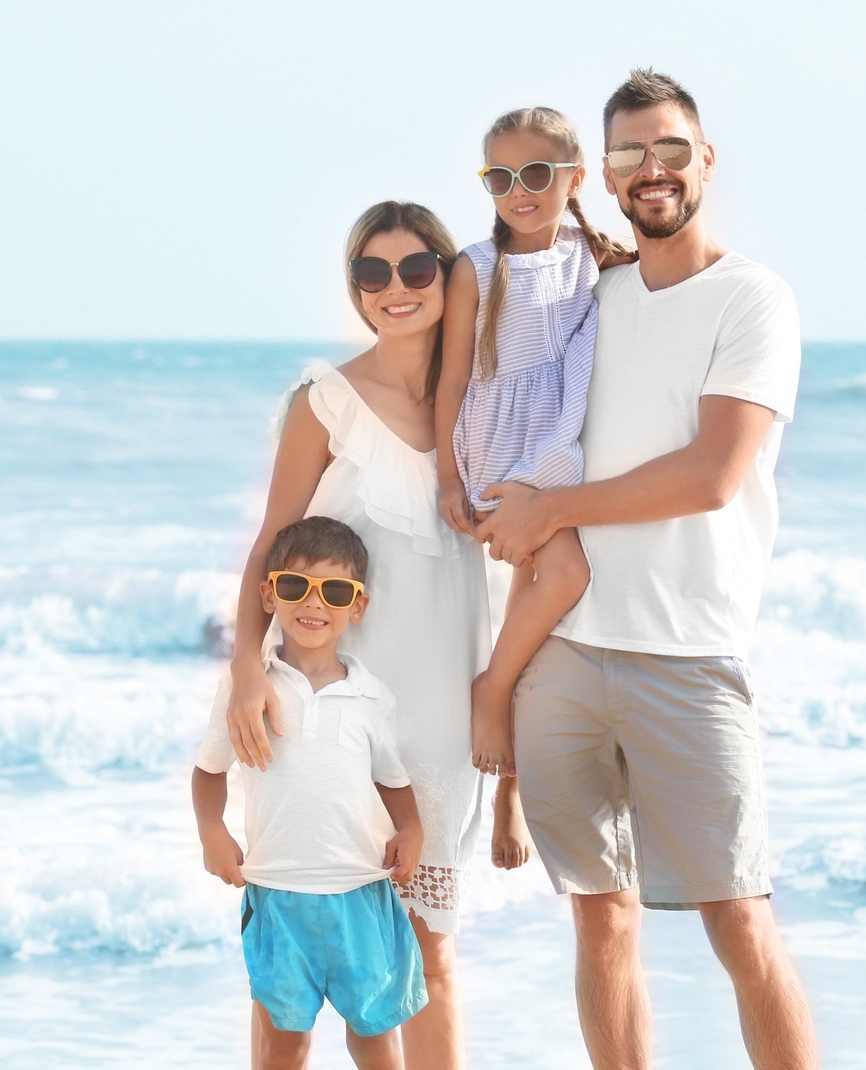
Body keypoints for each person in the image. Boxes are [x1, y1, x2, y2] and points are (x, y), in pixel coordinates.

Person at [475, 70, 819, 1069]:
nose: (651, 170)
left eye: (669, 149)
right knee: (600, 920)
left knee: (739, 921)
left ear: (704, 160)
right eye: (629, 154)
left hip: (689, 657)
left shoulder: (752, 299)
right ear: (606, 174)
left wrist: (556, 510)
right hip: (568, 656)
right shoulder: (594, 296)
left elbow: (713, 475)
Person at [223, 202, 490, 1069]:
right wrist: (245, 675)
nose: (395, 290)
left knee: (426, 949)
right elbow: (273, 545)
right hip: (326, 713)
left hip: (442, 717)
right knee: (295, 958)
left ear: (449, 281)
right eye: (371, 274)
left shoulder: (484, 407)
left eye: (417, 270)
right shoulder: (326, 400)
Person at [433, 107, 634, 818]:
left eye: (538, 174)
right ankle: (493, 693)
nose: (519, 191)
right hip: (500, 441)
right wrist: (449, 477)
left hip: (556, 430)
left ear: (575, 177)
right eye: (500, 178)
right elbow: (453, 380)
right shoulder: (476, 268)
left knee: (533, 595)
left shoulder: (591, 252)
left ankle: (509, 786)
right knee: (564, 573)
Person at [193, 516, 426, 1070]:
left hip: (360, 893)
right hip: (277, 895)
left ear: (357, 606)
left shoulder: (372, 696)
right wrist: (211, 832)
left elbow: (392, 779)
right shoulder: (248, 688)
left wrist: (412, 829)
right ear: (269, 593)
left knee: (373, 1040)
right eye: (296, 586)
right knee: (283, 1046)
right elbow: (208, 771)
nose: (313, 603)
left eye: (335, 591)